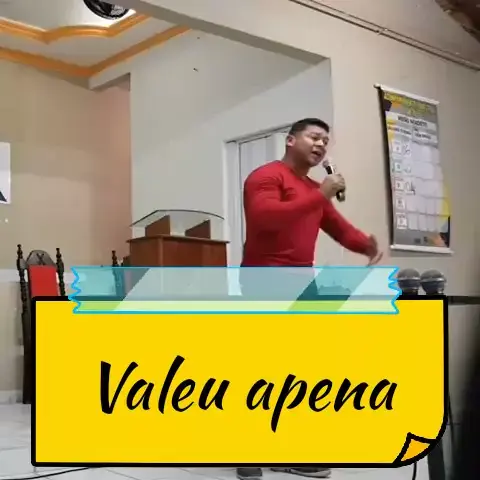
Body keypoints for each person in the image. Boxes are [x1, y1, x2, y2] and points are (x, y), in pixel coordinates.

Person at [236, 118, 382, 480]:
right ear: (290, 140)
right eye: (314, 137)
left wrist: (365, 245)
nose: (320, 145)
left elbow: (337, 226)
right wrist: (321, 195)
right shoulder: (265, 177)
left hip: (302, 281)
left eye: (325, 141)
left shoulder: (314, 189)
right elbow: (266, 218)